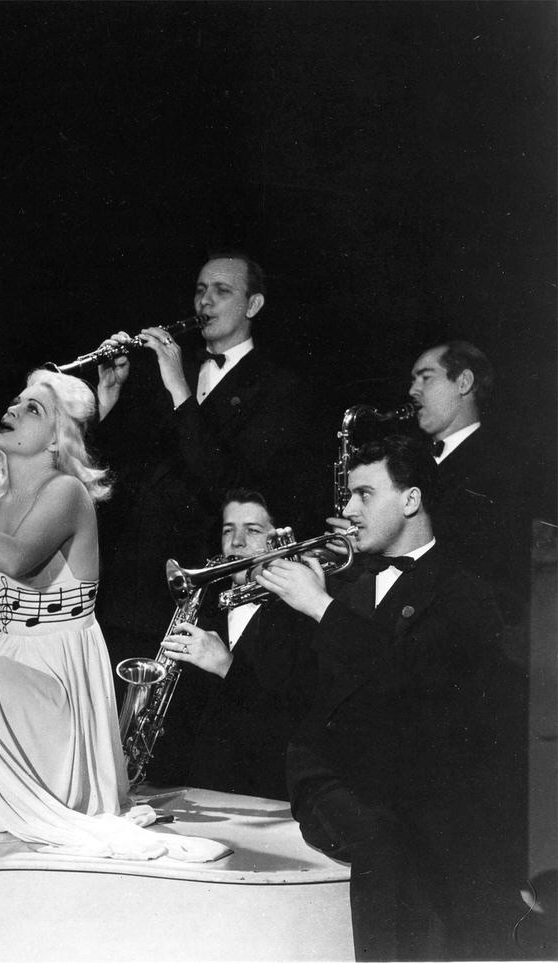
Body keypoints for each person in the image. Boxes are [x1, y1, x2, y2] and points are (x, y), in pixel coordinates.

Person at [0, 369, 228, 861]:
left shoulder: (66, 492)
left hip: (59, 679)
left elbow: (17, 559)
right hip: (11, 664)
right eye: (16, 401)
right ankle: (4, 810)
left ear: (57, 442)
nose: (12, 409)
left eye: (32, 408)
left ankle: (25, 810)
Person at [256, 436, 519, 960]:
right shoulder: (348, 586)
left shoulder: (464, 592)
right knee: (385, 836)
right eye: (349, 496)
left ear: (411, 500)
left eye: (364, 494)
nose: (348, 510)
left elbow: (414, 686)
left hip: (418, 774)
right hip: (334, 774)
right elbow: (293, 692)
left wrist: (322, 608)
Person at [92, 252, 321, 673]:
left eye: (221, 291)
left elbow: (230, 485)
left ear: (253, 306)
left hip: (190, 594)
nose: (204, 303)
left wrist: (180, 390)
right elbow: (112, 470)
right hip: (124, 583)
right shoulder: (167, 372)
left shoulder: (279, 389)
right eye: (200, 290)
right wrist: (109, 396)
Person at [159, 489, 319, 800]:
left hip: (265, 793)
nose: (237, 542)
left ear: (277, 541)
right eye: (228, 530)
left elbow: (290, 723)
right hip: (197, 785)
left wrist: (226, 666)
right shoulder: (203, 607)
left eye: (253, 530)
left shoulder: (300, 615)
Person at [406, 339, 529, 627]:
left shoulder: (502, 465)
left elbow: (481, 558)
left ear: (463, 382)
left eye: (425, 378)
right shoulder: (413, 462)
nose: (412, 390)